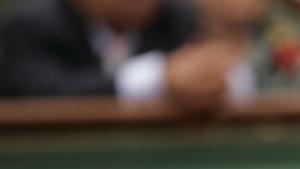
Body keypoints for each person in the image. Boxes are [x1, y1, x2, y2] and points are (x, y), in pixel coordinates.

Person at [0, 0, 245, 108]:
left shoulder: (177, 19)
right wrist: (157, 77)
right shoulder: (30, 26)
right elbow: (43, 95)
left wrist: (212, 80)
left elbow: (223, 78)